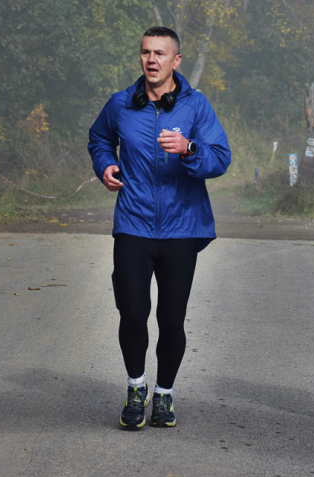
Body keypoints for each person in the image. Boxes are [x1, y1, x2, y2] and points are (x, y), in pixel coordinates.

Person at [88, 26, 231, 430]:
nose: (152, 60)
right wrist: (106, 165)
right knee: (132, 311)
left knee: (171, 319)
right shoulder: (120, 104)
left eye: (160, 54)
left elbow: (220, 158)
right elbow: (98, 138)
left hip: (182, 228)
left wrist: (189, 149)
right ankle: (137, 387)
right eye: (146, 52)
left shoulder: (196, 106)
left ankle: (164, 395)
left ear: (176, 61)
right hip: (133, 222)